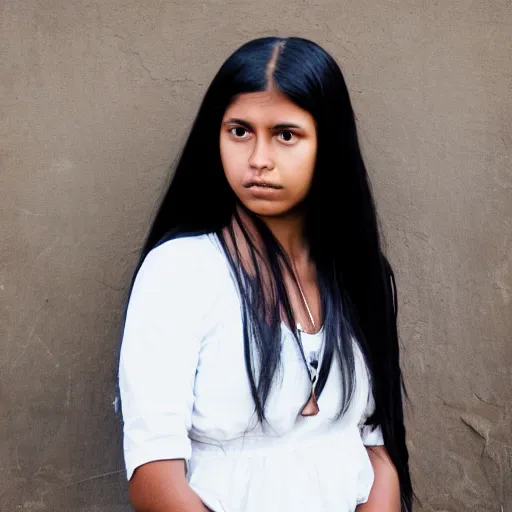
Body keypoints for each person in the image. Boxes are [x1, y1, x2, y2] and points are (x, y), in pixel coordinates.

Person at [118, 36, 413, 512]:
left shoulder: (355, 272)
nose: (258, 159)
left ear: (328, 144)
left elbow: (374, 447)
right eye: (239, 131)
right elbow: (153, 473)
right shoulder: (182, 271)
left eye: (286, 134)